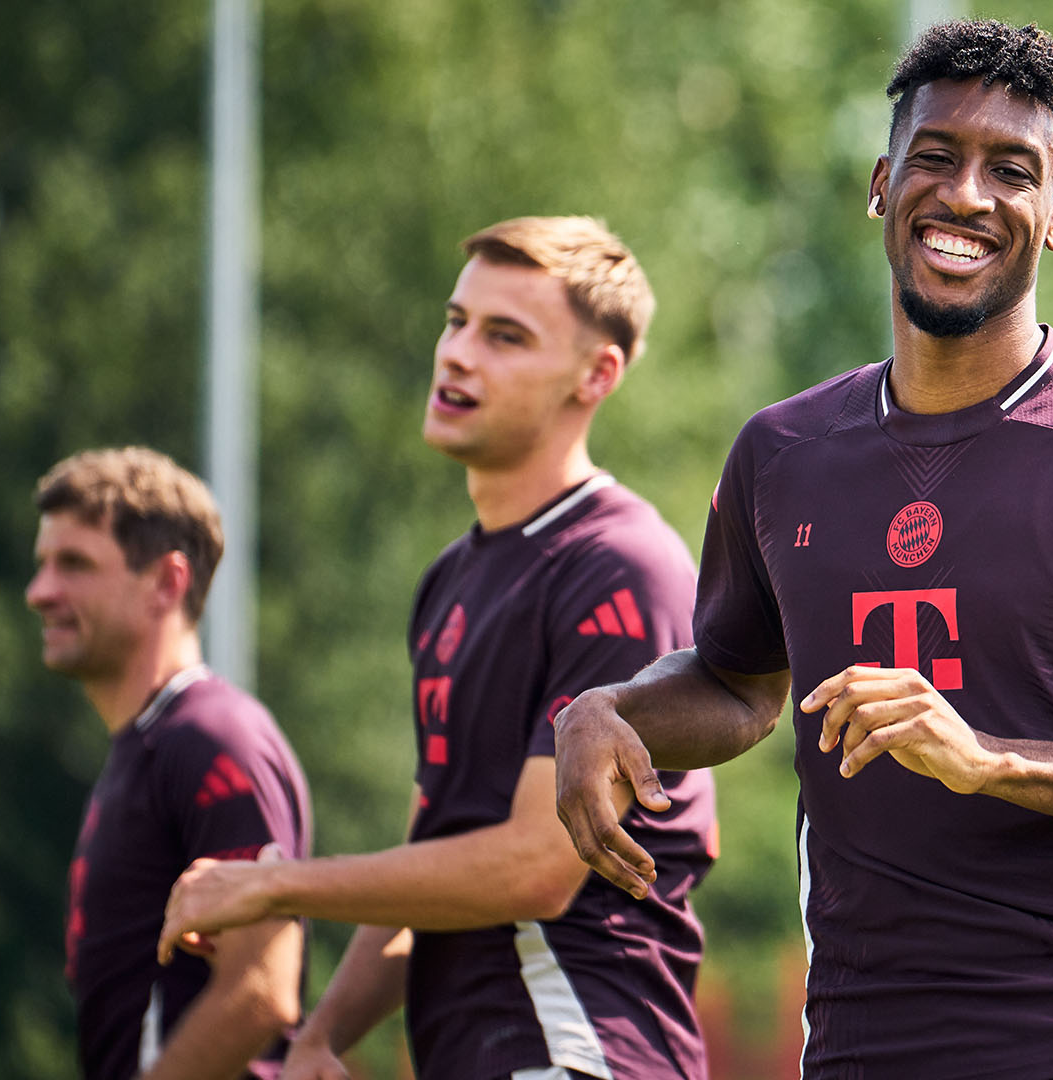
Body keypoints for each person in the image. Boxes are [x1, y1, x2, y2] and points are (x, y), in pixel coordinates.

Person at [552, 19, 1053, 1080]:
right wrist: (611, 710)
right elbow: (737, 684)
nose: (967, 196)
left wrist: (990, 763)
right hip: (855, 1041)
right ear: (880, 184)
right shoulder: (783, 451)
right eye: (936, 157)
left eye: (1012, 171)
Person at [157, 217, 714, 1080]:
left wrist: (277, 885)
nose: (457, 355)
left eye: (505, 336)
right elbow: (438, 850)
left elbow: (536, 867)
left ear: (595, 374)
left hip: (575, 1049)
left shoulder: (619, 565)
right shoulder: (452, 577)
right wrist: (322, 1036)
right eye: (456, 322)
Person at [28, 447, 312, 1080]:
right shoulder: (147, 745)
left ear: (167, 582)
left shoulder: (213, 736)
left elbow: (262, 989)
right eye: (42, 564)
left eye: (74, 564)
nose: (39, 592)